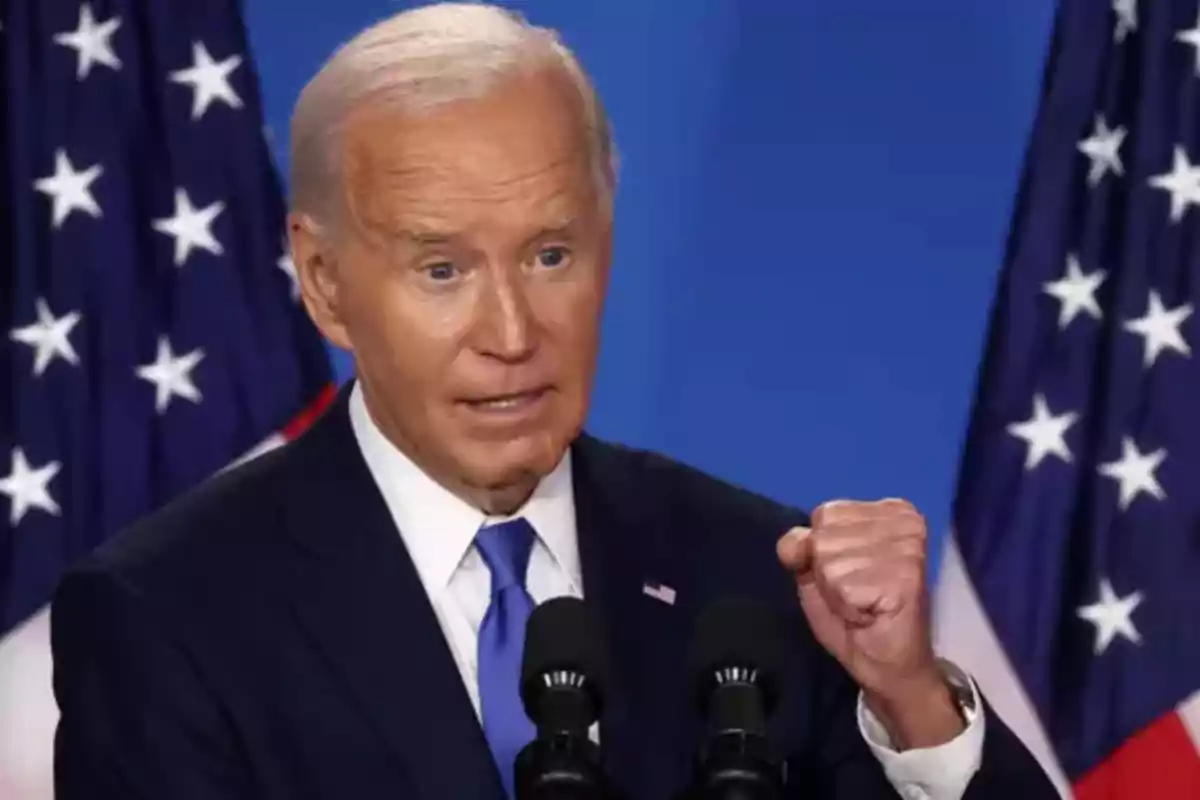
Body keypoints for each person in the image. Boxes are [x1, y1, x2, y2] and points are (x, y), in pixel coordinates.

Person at [49, 4, 1057, 799]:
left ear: (609, 237)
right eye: (442, 268)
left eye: (550, 253)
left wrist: (910, 692)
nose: (513, 330)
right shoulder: (171, 616)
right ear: (323, 281)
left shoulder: (760, 582)